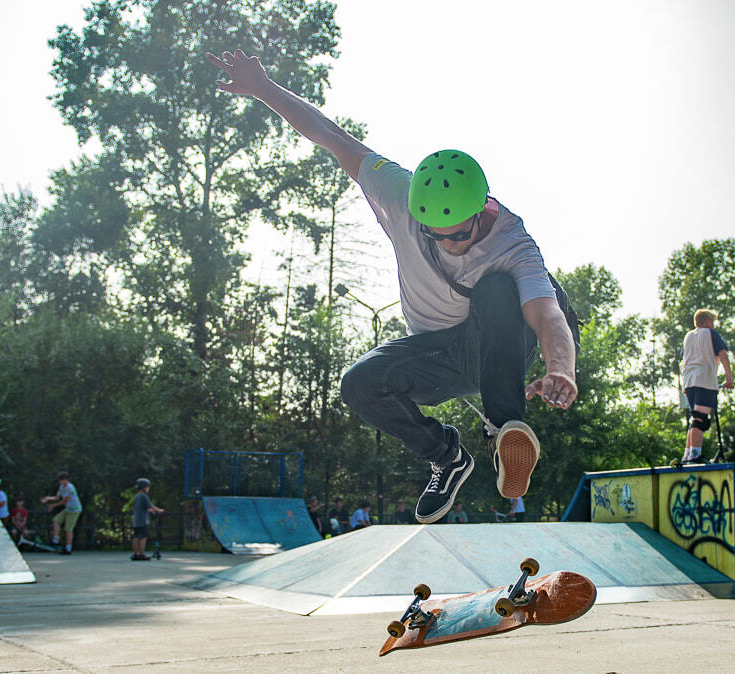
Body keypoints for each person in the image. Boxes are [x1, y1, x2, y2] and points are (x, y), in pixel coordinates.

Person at [207, 48, 579, 525]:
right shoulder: (398, 191)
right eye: (434, 235)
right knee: (358, 384)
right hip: (431, 355)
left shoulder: (514, 243)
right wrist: (262, 88)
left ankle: (506, 429)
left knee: (497, 292)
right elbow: (331, 137)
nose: (447, 245)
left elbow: (546, 314)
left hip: (491, 346)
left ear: (481, 208)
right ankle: (446, 458)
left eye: (459, 235)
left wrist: (561, 368)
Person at [679, 309, 734, 464]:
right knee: (700, 419)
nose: (713, 325)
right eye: (712, 322)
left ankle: (688, 454)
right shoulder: (711, 334)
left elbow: (684, 360)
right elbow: (723, 354)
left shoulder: (688, 336)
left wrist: (684, 384)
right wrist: (729, 378)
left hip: (689, 382)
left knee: (695, 418)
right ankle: (695, 456)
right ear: (707, 321)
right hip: (704, 380)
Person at [40, 471, 83, 555]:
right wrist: (47, 498)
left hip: (74, 510)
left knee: (68, 529)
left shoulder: (70, 487)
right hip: (68, 509)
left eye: (61, 480)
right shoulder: (62, 487)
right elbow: (57, 498)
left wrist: (52, 506)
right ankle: (55, 540)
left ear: (66, 480)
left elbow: (64, 501)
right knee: (56, 520)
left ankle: (68, 549)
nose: (59, 482)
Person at [130, 478, 165, 561]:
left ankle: (135, 554)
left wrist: (151, 511)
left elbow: (143, 508)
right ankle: (141, 554)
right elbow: (150, 506)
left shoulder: (137, 496)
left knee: (136, 537)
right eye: (148, 487)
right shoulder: (144, 496)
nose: (148, 489)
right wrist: (159, 510)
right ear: (144, 488)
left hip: (136, 521)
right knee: (143, 537)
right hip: (143, 520)